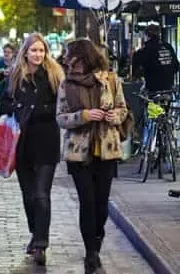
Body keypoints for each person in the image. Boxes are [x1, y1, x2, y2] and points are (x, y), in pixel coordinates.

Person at [56, 39, 128, 274]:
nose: (68, 60)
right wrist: (84, 115)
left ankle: (97, 240)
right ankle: (91, 253)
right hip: (79, 153)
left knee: (101, 204)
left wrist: (113, 117)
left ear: (83, 57)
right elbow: (61, 117)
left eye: (71, 56)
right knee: (87, 202)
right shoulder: (67, 84)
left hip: (106, 150)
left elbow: (123, 109)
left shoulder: (110, 79)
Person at [0, 33, 64, 266]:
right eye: (34, 50)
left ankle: (41, 244)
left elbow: (61, 106)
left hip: (46, 140)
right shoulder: (16, 76)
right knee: (28, 196)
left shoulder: (55, 75)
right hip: (22, 142)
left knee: (41, 194)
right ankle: (35, 233)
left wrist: (36, 109)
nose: (38, 54)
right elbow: (4, 103)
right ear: (25, 52)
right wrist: (17, 108)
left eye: (42, 50)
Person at [131, 24, 179, 93]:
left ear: (146, 36)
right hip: (169, 88)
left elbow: (136, 67)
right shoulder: (168, 46)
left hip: (153, 89)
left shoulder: (146, 49)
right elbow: (176, 66)